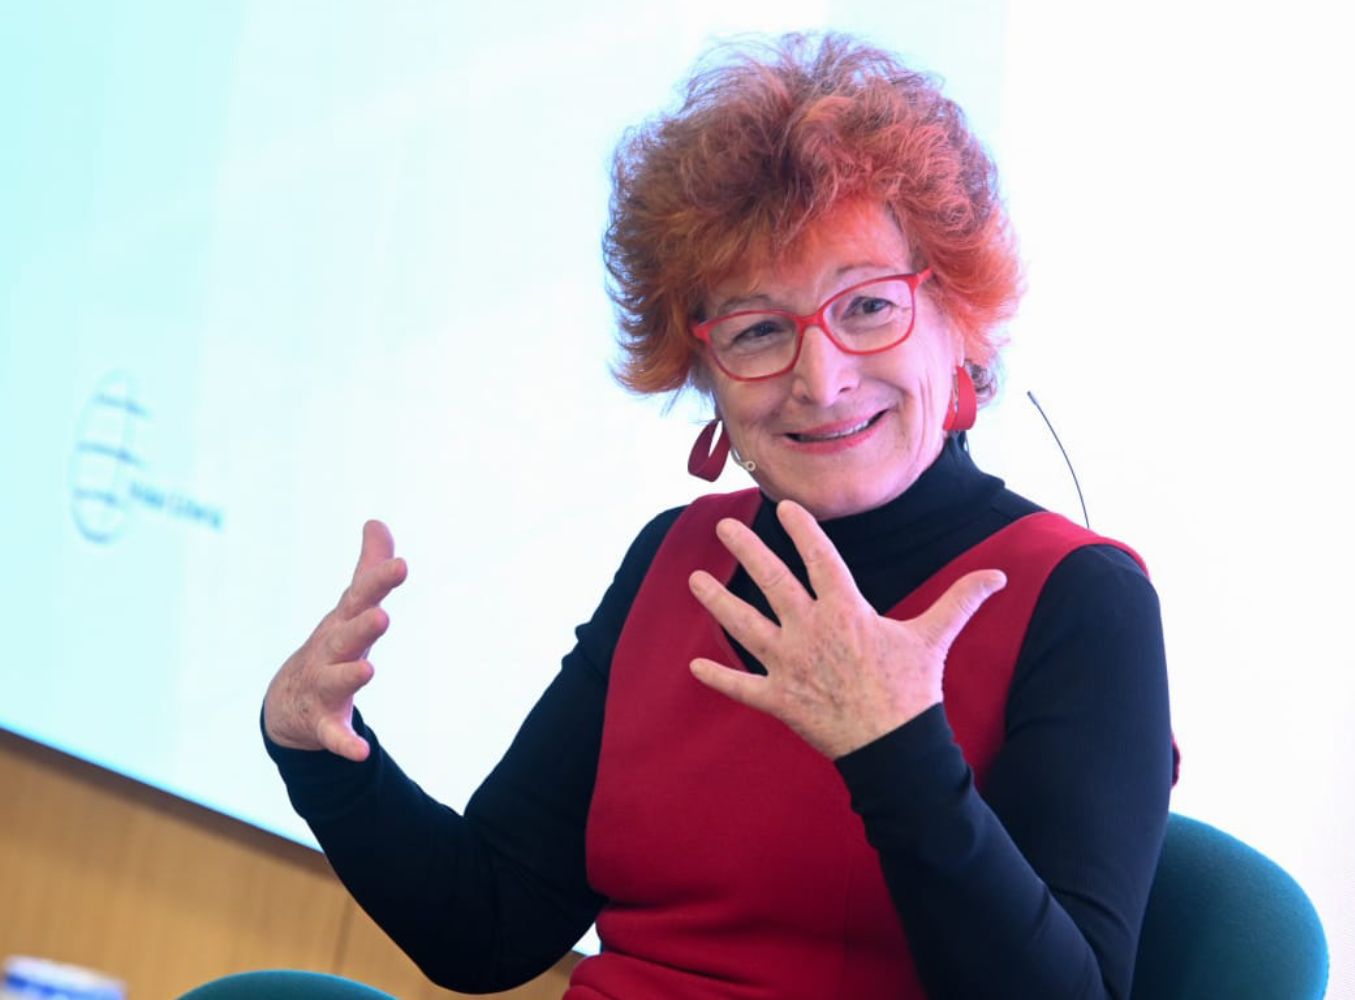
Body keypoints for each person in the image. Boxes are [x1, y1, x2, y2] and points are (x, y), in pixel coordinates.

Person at [262, 33, 1174, 1000]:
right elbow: (490, 923)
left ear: (959, 316)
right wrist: (322, 754)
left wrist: (896, 750)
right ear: (702, 370)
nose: (820, 381)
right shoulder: (679, 557)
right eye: (759, 330)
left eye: (867, 308)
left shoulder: (1080, 599)